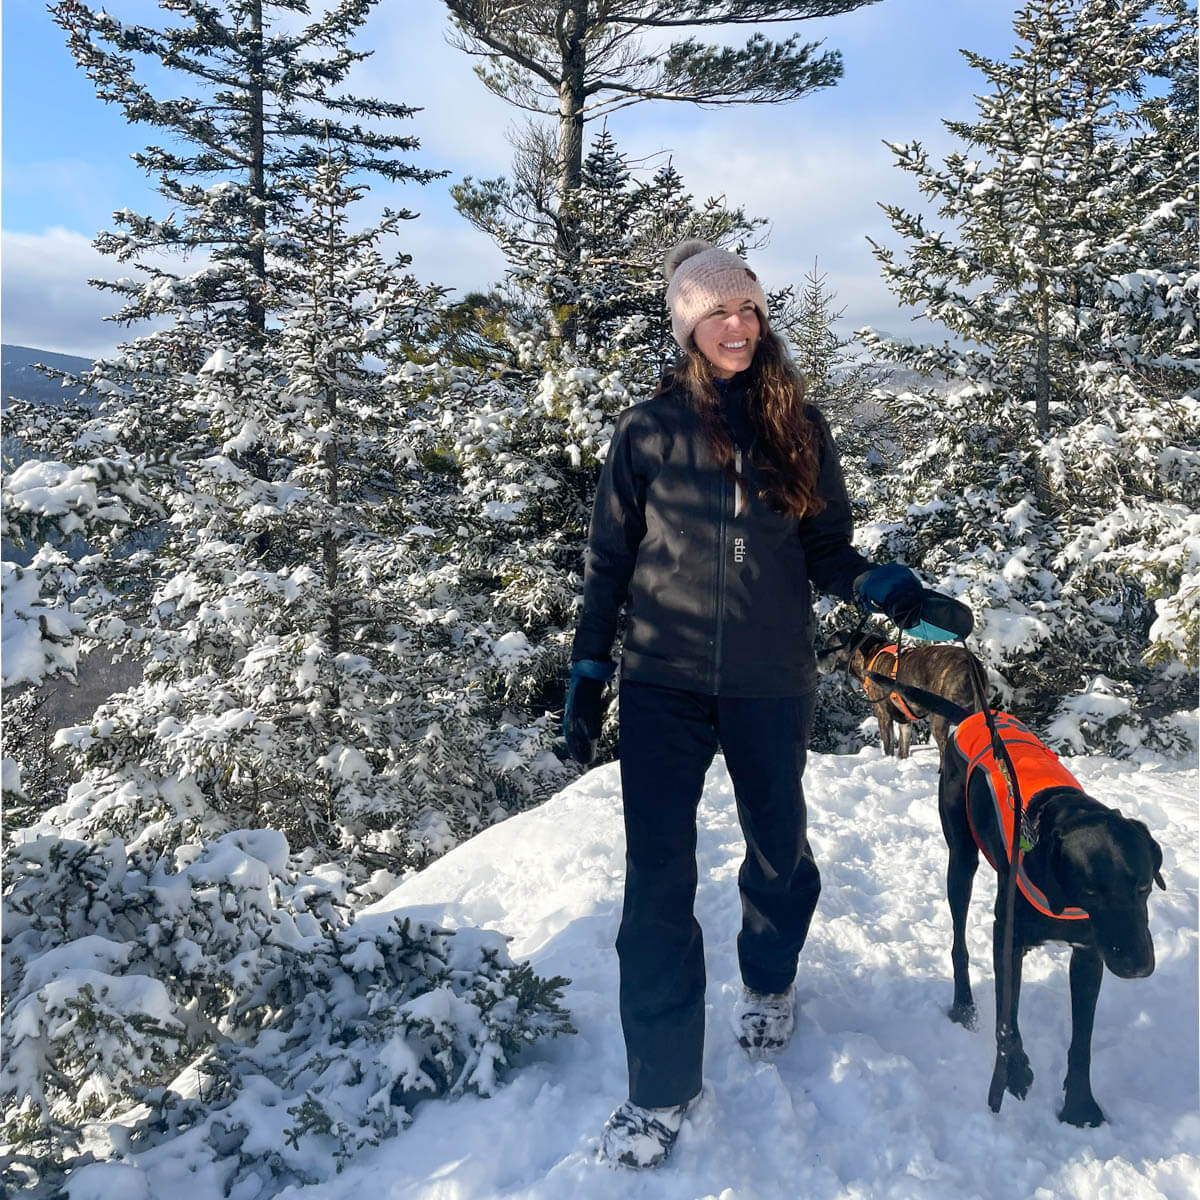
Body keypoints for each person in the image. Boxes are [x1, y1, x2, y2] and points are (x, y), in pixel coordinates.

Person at [563, 238, 951, 1170]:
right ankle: (660, 1089)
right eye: (716, 314)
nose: (736, 326)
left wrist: (879, 583)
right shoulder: (647, 431)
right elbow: (610, 560)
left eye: (747, 309)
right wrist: (588, 669)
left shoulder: (799, 425)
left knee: (779, 850)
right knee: (657, 884)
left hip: (771, 679)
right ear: (688, 328)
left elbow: (826, 549)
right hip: (662, 683)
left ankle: (770, 981)